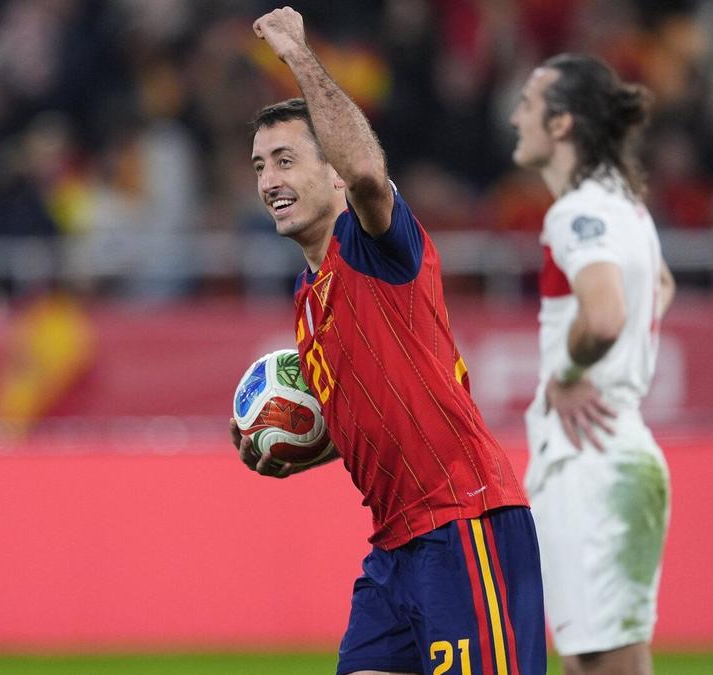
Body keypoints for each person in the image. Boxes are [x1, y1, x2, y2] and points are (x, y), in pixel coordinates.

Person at [229, 8, 546, 675]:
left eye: (286, 160)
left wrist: (300, 57)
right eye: (260, 166)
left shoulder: (374, 244)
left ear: (333, 172)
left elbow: (371, 174)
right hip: (395, 547)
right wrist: (292, 442)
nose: (269, 181)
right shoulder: (305, 301)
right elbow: (375, 415)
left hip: (465, 522)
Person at [511, 54, 675, 675]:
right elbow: (658, 285)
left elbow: (604, 316)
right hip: (613, 451)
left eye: (527, 103)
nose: (513, 116)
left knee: (604, 663)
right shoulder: (625, 206)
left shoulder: (578, 212)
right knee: (596, 662)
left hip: (593, 459)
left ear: (561, 125)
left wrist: (571, 375)